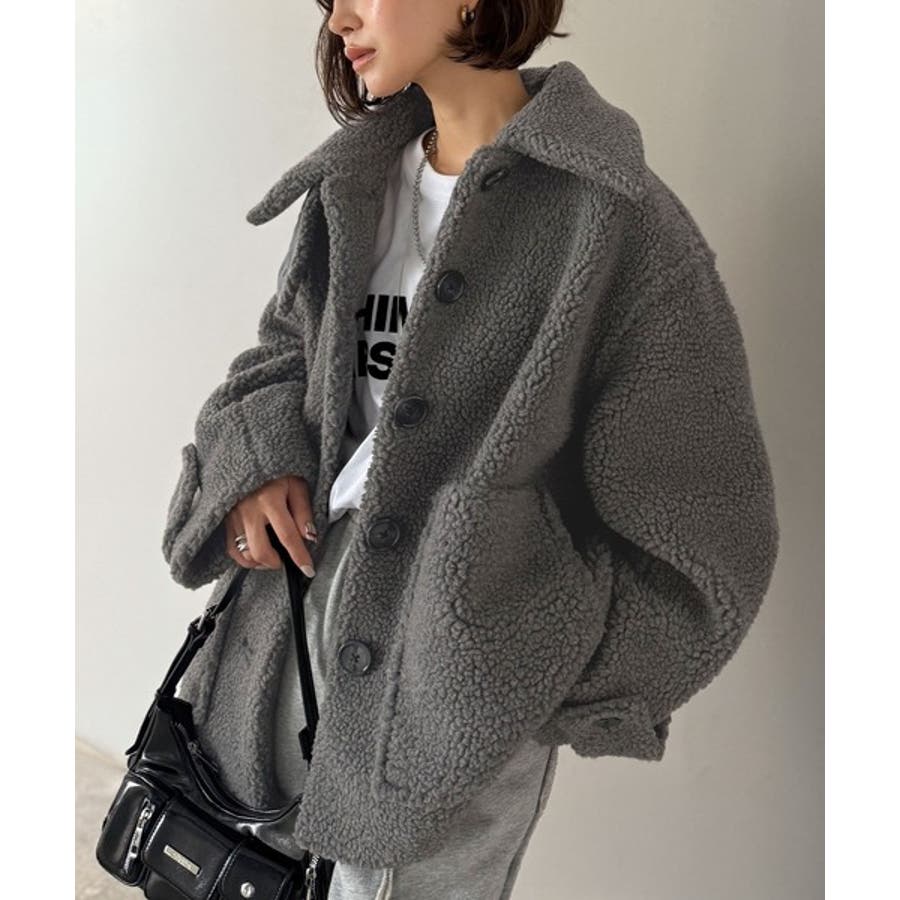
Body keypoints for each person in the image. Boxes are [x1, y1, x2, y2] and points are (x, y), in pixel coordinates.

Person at [165, 1, 780, 897]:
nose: (341, 19)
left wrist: (523, 661)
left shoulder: (615, 220)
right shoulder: (358, 182)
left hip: (449, 674)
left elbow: (704, 509)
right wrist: (260, 465)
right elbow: (284, 352)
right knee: (234, 873)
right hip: (289, 611)